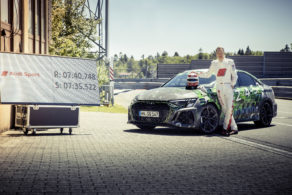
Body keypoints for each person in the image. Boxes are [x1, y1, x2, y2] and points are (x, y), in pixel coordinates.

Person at [197, 47, 238, 136]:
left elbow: (235, 75)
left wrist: (232, 84)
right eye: (218, 53)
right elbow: (208, 74)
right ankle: (234, 128)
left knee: (229, 109)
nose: (220, 54)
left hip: (228, 87)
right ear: (216, 54)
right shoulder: (214, 63)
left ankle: (224, 128)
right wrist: (198, 74)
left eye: (221, 52)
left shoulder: (230, 62)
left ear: (224, 53)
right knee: (224, 109)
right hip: (219, 88)